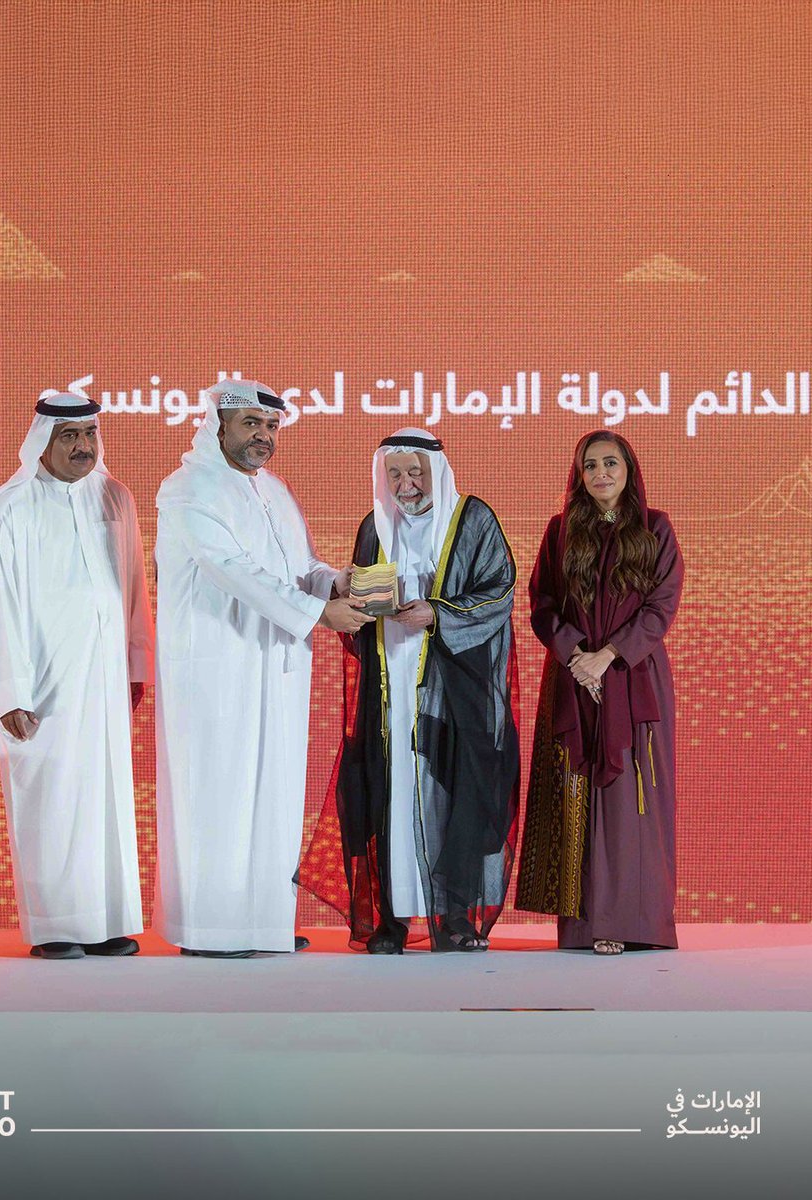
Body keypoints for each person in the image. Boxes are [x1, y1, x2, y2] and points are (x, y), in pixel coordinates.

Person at [154, 379, 368, 958]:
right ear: (217, 425)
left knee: (274, 790)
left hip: (275, 664)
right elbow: (231, 569)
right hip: (217, 667)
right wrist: (319, 612)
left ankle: (263, 920)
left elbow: (297, 567)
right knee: (218, 790)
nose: (264, 436)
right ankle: (212, 927)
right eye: (251, 424)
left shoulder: (272, 490)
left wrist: (336, 583)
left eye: (271, 426)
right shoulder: (188, 488)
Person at [302, 429, 520, 953]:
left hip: (455, 691)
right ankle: (392, 920)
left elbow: (500, 589)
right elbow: (359, 598)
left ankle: (455, 920)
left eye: (416, 472)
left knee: (455, 793)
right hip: (387, 691)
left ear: (437, 473)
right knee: (390, 794)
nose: (406, 484)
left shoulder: (473, 519)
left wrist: (438, 614)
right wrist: (352, 607)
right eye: (395, 473)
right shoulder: (374, 528)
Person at [0, 391, 153, 960]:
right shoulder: (14, 505)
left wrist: (135, 666)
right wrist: (13, 691)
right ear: (42, 443)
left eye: (89, 435)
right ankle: (55, 927)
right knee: (52, 798)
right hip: (44, 682)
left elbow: (134, 591)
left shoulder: (114, 498)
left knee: (106, 799)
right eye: (68, 436)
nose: (81, 446)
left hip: (102, 681)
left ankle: (104, 923)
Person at [515, 430, 684, 954]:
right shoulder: (560, 531)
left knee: (633, 803)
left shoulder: (655, 527)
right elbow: (542, 603)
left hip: (634, 679)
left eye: (611, 463)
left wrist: (607, 656)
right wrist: (576, 658)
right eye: (590, 465)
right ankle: (586, 927)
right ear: (579, 475)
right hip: (573, 681)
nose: (601, 474)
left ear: (629, 469)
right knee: (577, 796)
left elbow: (661, 606)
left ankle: (631, 923)